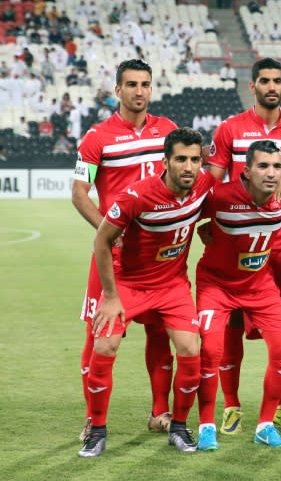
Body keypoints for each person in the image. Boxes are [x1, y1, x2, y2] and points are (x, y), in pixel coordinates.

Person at [78, 127, 215, 457]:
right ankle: (96, 429)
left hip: (172, 286)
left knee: (190, 348)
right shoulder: (137, 196)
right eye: (180, 159)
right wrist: (110, 297)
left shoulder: (205, 186)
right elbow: (102, 239)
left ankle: (179, 426)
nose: (188, 167)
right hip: (130, 285)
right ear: (165, 162)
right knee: (105, 345)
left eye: (195, 160)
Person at [207, 57, 281, 435]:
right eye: (265, 81)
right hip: (238, 244)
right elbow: (212, 183)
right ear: (252, 86)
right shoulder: (229, 129)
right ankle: (232, 404)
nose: (272, 86)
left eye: (278, 81)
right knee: (231, 325)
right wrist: (209, 226)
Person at [72, 59, 178, 445]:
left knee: (161, 332)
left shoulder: (168, 131)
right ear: (117, 90)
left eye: (145, 84)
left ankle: (159, 412)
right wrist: (107, 231)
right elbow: (78, 193)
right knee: (98, 336)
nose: (139, 91)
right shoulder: (96, 137)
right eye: (131, 84)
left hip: (160, 256)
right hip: (113, 256)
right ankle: (92, 419)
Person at [195, 140, 281, 450]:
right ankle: (206, 426)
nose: (271, 173)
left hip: (260, 285)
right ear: (246, 171)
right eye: (263, 166)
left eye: (277, 166)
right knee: (211, 350)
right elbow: (182, 209)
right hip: (217, 285)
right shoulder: (219, 196)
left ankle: (265, 425)